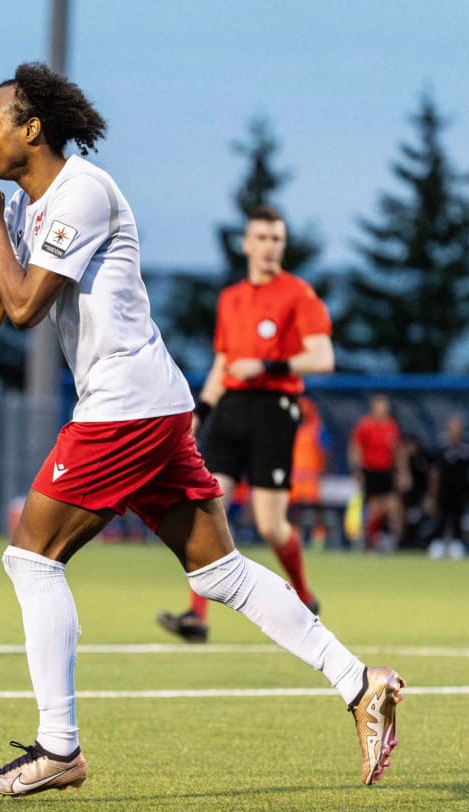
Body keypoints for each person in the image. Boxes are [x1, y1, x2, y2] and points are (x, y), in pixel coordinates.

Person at [0, 63, 404, 795]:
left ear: (31, 128)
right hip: (149, 403)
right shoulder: (24, 208)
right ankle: (359, 682)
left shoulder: (81, 192)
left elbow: (23, 311)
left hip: (124, 407)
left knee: (32, 557)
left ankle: (58, 747)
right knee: (219, 571)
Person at [157, 203, 330, 644]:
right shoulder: (231, 298)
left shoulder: (299, 294)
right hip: (232, 408)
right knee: (205, 509)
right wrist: (200, 413)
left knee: (270, 524)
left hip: (275, 409)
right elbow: (222, 363)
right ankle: (197, 618)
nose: (270, 247)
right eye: (263, 238)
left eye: (277, 239)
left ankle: (306, 598)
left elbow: (323, 358)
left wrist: (270, 365)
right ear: (246, 243)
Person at [348, 394, 406, 550]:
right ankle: (371, 539)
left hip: (386, 472)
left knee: (394, 505)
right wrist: (357, 470)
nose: (382, 409)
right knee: (375, 507)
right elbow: (356, 448)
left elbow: (397, 451)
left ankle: (395, 541)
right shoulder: (365, 425)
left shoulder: (391, 426)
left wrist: (402, 472)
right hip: (370, 471)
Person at [426, 413, 469, 560]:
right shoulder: (441, 447)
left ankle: (457, 544)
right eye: (453, 427)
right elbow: (434, 471)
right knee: (441, 516)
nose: (455, 430)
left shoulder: (467, 447)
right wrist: (432, 493)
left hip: (460, 488)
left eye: (458, 427)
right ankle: (437, 544)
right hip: (444, 488)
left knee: (457, 516)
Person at [289, 396, 330, 551]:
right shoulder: (291, 428)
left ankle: (318, 536)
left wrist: (323, 471)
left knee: (316, 507)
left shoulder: (318, 428)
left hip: (312, 475)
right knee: (293, 508)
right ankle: (295, 536)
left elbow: (326, 451)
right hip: (296, 475)